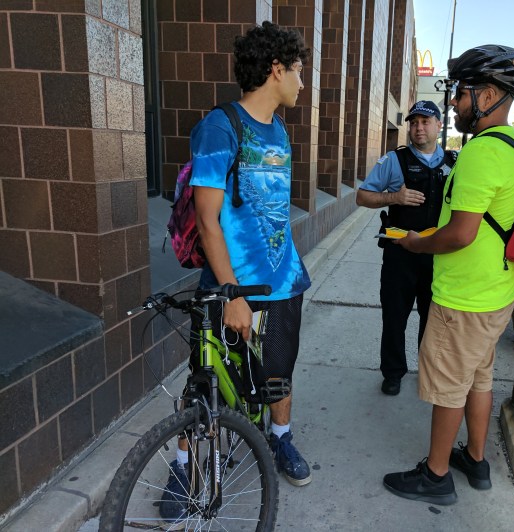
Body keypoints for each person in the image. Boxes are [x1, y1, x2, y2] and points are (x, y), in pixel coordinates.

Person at [160, 22, 313, 526]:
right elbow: (208, 221)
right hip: (230, 286)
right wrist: (229, 294)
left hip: (283, 280)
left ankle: (279, 437)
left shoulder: (280, 130)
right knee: (205, 382)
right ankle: (183, 467)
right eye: (298, 71)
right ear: (276, 70)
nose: (302, 83)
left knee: (278, 370)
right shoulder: (220, 127)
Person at [382, 44, 514, 505]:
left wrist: (417, 242)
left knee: (449, 385)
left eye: (460, 94)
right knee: (478, 378)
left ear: (487, 94)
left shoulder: (482, 153)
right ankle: (476, 459)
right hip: (497, 290)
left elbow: (461, 234)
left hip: (465, 297)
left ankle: (436, 473)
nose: (453, 103)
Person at [356, 100, 457, 396]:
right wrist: (394, 198)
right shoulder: (393, 161)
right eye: (414, 123)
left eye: (426, 122)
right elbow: (362, 197)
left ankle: (427, 373)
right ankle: (393, 373)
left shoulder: (454, 162)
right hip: (400, 253)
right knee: (395, 317)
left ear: (439, 125)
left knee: (433, 320)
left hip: (436, 255)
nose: (418, 127)